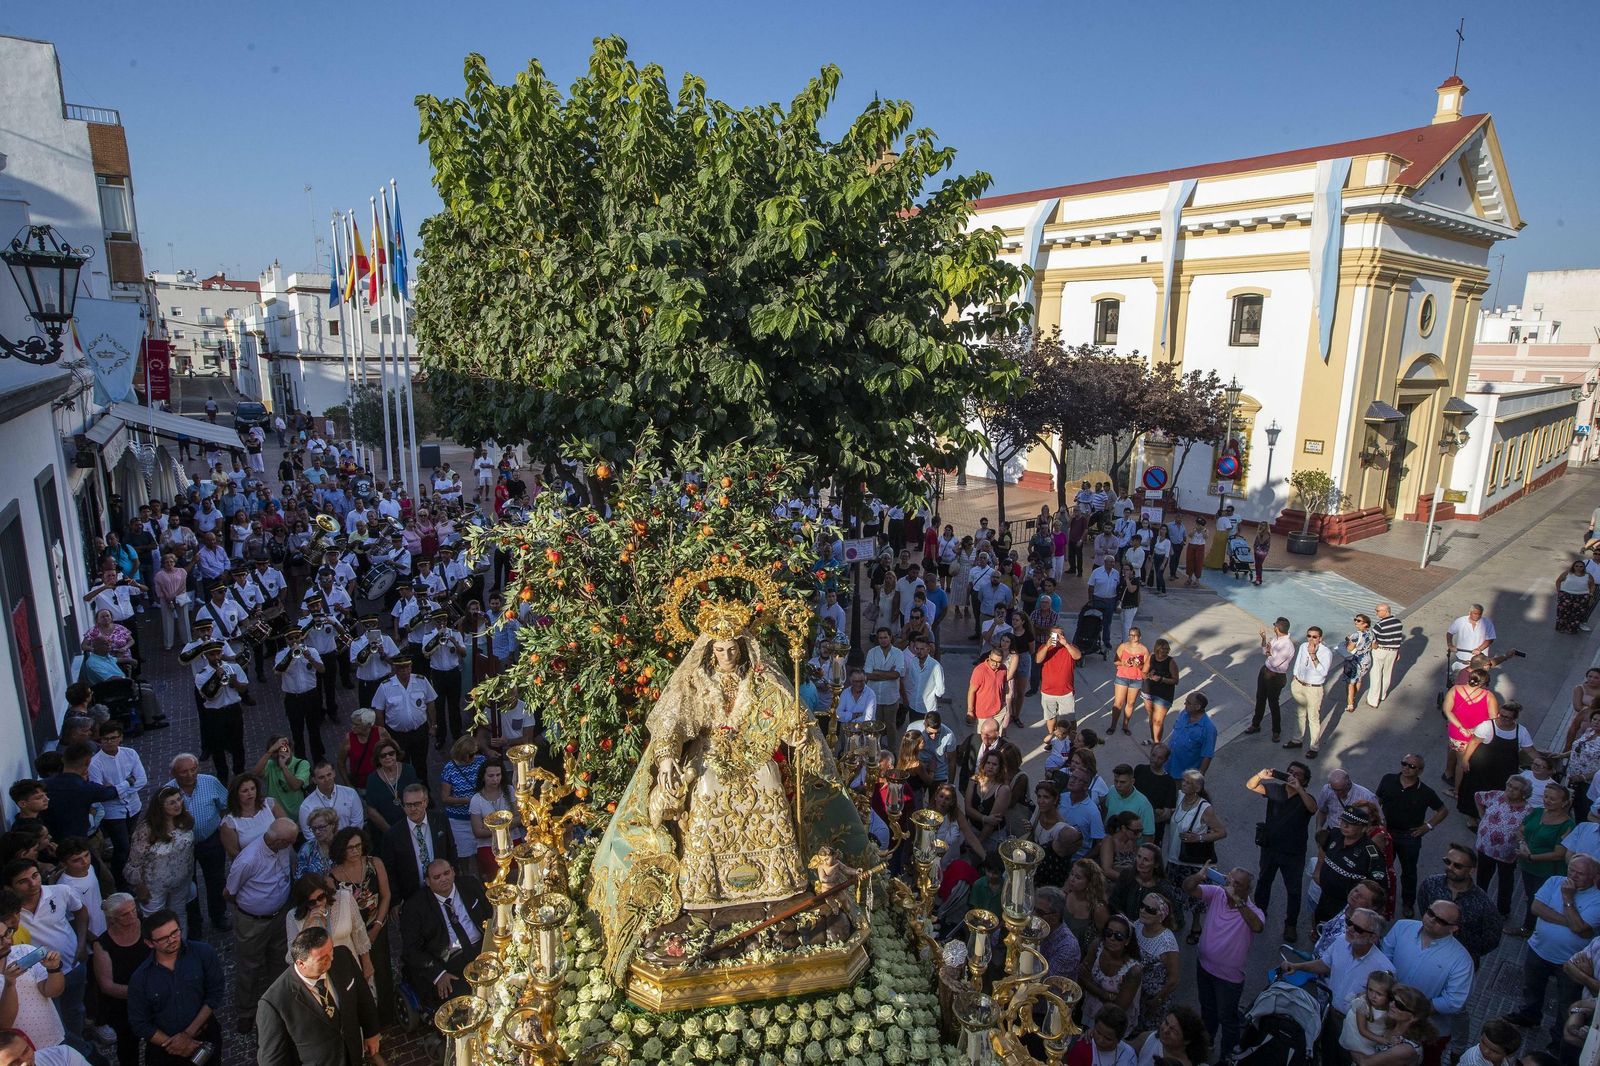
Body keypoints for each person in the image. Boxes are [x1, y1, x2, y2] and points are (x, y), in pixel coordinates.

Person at [1282, 905, 1392, 1065]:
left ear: (1373, 938)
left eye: (1359, 929)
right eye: (1349, 922)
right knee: (1327, 1055)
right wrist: (1298, 966)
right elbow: (1325, 964)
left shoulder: (1384, 969)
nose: (1350, 929)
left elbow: (1384, 1009)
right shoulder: (1341, 942)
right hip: (1330, 1014)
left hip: (1356, 1026)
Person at [258, 925, 381, 1066]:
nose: (331, 958)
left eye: (331, 950)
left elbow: (363, 996)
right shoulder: (274, 1003)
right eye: (323, 958)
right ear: (301, 963)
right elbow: (273, 1061)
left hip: (353, 1056)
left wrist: (371, 1032)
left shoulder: (343, 957)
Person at [1510, 853, 1600, 1042]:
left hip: (1570, 961)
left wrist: (1568, 899)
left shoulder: (1597, 899)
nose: (1573, 876)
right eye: (1571, 870)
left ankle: (1559, 1038)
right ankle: (1529, 1016)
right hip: (1538, 949)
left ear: (1594, 876)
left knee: (1567, 1002)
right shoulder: (1554, 881)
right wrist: (1571, 922)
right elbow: (1536, 908)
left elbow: (1580, 928)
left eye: (1580, 873)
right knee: (1532, 988)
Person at [222, 818, 298, 1035]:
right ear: (280, 841)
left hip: (279, 917)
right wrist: (252, 907)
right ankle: (246, 1013)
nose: (293, 844)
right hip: (253, 923)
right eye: (290, 841)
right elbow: (229, 893)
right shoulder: (247, 860)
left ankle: (279, 1004)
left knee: (279, 961)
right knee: (249, 967)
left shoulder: (283, 848)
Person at [5, 861, 89, 1047]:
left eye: (35, 876)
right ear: (10, 887)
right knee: (56, 1019)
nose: (33, 884)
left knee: (76, 1010)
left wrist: (82, 943)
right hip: (42, 978)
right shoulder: (9, 914)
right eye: (23, 881)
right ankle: (79, 1050)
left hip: (73, 966)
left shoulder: (61, 891)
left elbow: (81, 912)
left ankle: (80, 1041)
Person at [1183, 864, 1264, 1056]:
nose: (1231, 885)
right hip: (1204, 966)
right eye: (1229, 880)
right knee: (1207, 1010)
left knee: (1227, 1019)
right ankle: (1206, 1043)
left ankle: (1228, 1055)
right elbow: (1189, 888)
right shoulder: (1217, 894)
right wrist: (1198, 877)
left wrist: (1237, 900)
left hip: (1228, 978)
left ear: (1247, 889)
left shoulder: (1252, 910)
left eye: (1238, 884)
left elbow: (1257, 926)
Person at [125, 910, 224, 1065]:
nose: (172, 940)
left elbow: (215, 993)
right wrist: (177, 1045)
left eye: (175, 932)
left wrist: (187, 1035)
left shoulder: (203, 953)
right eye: (163, 938)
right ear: (149, 943)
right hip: (165, 1052)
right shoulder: (140, 979)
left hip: (205, 1038)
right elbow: (139, 1023)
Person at [1379, 904, 1473, 1054]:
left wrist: (1413, 1010)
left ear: (1453, 928)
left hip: (1426, 1030)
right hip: (1385, 1015)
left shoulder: (1462, 959)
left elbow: (1454, 1001)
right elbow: (1383, 961)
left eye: (1440, 920)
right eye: (1430, 913)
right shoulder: (1402, 927)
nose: (1431, 920)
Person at [399, 860, 489, 1016]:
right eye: (437, 877)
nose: (443, 879)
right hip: (448, 962)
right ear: (428, 881)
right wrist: (438, 974)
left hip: (482, 948)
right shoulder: (415, 906)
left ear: (453, 871)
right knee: (464, 1004)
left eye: (447, 873)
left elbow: (491, 913)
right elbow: (411, 950)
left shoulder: (469, 885)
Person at [1247, 762, 1316, 940]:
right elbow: (1251, 786)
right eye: (1290, 772)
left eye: (1297, 774)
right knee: (1264, 881)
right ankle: (1259, 914)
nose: (1292, 775)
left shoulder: (1306, 797)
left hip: (1293, 853)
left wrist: (1299, 789)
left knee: (1293, 890)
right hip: (1270, 847)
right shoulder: (1276, 790)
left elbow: (1312, 809)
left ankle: (1290, 925)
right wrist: (1261, 775)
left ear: (1305, 780)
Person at [1376, 755, 1449, 918]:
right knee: (1380, 868)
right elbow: (1377, 801)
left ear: (1420, 771)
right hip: (1386, 833)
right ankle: (1378, 901)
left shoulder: (1425, 792)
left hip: (1409, 837)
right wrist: (1377, 822)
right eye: (1404, 763)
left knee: (1409, 872)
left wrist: (1428, 826)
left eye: (1412, 766)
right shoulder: (1388, 779)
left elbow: (1443, 810)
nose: (1406, 768)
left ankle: (1408, 903)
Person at [0, 890, 70, 1055]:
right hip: (18, 1057)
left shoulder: (24, 951)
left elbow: (52, 991)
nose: (7, 941)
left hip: (54, 1041)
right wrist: (10, 983)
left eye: (7, 934)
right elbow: (3, 1024)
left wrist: (54, 969)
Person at [1415, 843, 1502, 965]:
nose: (1450, 867)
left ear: (1471, 870)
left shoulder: (1483, 903)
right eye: (1447, 861)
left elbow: (1491, 939)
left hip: (1459, 961)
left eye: (1457, 865)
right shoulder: (1430, 884)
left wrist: (1467, 951)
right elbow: (1424, 908)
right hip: (1427, 950)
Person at [92, 893, 150, 1066]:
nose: (133, 915)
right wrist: (141, 993)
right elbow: (107, 985)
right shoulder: (102, 944)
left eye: (134, 910)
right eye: (125, 914)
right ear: (112, 919)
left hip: (155, 997)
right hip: (124, 1005)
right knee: (128, 1046)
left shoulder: (147, 927)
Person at [124, 787, 196, 928]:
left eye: (179, 799)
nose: (178, 805)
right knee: (155, 921)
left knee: (179, 914)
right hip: (154, 886)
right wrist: (140, 887)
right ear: (160, 807)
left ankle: (182, 944)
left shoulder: (184, 821)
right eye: (171, 803)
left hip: (181, 882)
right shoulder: (146, 830)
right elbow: (135, 862)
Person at [87, 724, 145, 890]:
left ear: (120, 737)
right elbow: (99, 791)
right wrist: (128, 782)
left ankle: (131, 874)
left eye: (113, 738)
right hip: (113, 812)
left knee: (130, 841)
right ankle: (120, 882)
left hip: (133, 806)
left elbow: (141, 779)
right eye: (106, 739)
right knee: (122, 846)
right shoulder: (95, 763)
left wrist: (116, 790)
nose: (110, 742)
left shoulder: (130, 754)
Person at [384, 784, 458, 903]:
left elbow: (451, 850)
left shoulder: (440, 821)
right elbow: (390, 871)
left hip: (444, 889)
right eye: (408, 805)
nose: (413, 809)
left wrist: (454, 881)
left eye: (417, 804)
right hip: (413, 895)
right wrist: (396, 901)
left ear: (426, 802)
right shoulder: (394, 834)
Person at [1315, 809, 1391, 924]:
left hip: (1347, 907)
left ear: (1364, 828)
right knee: (1319, 926)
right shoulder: (1335, 834)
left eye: (1351, 823)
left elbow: (1379, 888)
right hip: (1324, 897)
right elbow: (1323, 850)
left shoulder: (1371, 854)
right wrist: (1318, 871)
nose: (1344, 825)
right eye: (1343, 821)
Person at [1474, 776, 1534, 918]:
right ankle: (1477, 903)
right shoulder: (1496, 795)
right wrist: (1482, 816)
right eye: (1509, 786)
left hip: (1506, 854)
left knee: (1505, 882)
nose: (1510, 790)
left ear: (1524, 793)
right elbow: (1478, 796)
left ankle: (1502, 911)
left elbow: (1526, 830)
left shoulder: (1528, 810)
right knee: (1482, 878)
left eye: (1516, 789)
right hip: (1485, 847)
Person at [1446, 670, 1501, 806]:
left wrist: (1460, 727)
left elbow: (1447, 710)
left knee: (1461, 762)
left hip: (1457, 734)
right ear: (1485, 682)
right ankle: (1466, 790)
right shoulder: (1489, 696)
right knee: (1473, 762)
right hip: (1478, 735)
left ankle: (1457, 791)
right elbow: (1493, 719)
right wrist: (1475, 729)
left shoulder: (1455, 689)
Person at [1079, 912, 1142, 1028]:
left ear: (1127, 941)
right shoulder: (1097, 946)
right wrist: (1108, 996)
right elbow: (1081, 977)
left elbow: (1118, 1008)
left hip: (1112, 1024)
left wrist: (1090, 984)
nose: (1112, 939)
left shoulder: (1133, 971)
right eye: (1108, 933)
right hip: (1090, 1010)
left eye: (1118, 936)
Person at [1347, 985, 1437, 1066]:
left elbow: (1365, 1063)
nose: (1392, 1005)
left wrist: (1349, 1042)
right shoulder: (1389, 1025)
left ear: (1414, 1017)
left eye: (1400, 1005)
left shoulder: (1407, 1048)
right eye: (1392, 999)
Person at [1133, 893, 1182, 1033]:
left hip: (1154, 999)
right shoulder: (1137, 925)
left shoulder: (1167, 942)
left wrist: (1157, 1001)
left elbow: (1173, 979)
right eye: (1142, 906)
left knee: (1150, 1033)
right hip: (1136, 992)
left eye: (1150, 909)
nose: (1143, 910)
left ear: (1161, 916)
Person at [1287, 626, 1333, 758]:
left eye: (1314, 637)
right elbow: (1298, 662)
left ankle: (1314, 747)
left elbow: (1323, 671)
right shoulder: (1303, 646)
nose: (1311, 639)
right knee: (1300, 714)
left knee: (1313, 718)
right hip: (1299, 684)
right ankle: (1297, 740)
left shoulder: (1325, 652)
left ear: (1320, 638)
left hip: (1314, 688)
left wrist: (1313, 654)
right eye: (1309, 636)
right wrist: (1295, 677)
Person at [220, 772, 286, 859]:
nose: (250, 793)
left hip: (281, 857)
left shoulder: (270, 804)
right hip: (255, 867)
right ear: (236, 794)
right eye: (245, 791)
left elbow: (286, 827)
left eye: (252, 788)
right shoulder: (229, 823)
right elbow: (234, 853)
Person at [363, 739, 418, 834]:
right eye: (383, 755)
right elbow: (371, 810)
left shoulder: (409, 770)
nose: (388, 757)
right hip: (387, 829)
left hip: (411, 823)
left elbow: (418, 796)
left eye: (391, 753)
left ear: (396, 753)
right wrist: (390, 831)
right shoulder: (372, 779)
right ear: (378, 759)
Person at [297, 761, 364, 838]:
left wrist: (345, 842)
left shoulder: (350, 793)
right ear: (314, 780)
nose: (327, 779)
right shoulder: (306, 806)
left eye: (329, 775)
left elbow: (358, 823)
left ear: (334, 773)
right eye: (321, 777)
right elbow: (310, 835)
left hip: (350, 843)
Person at [1033, 884, 1083, 981]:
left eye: (1039, 912)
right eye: (1033, 909)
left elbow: (1047, 983)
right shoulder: (1035, 927)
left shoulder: (1068, 947)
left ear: (1055, 917)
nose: (1033, 915)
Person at [1110, 628, 1150, 740]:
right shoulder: (1123, 646)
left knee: (1130, 703)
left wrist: (1140, 665)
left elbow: (1146, 668)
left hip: (1136, 679)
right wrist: (1124, 663)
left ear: (1140, 637)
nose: (1132, 637)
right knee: (1118, 703)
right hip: (1122, 676)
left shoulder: (1144, 650)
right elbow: (1115, 661)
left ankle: (1125, 725)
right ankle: (1113, 725)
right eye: (1130, 635)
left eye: (1135, 635)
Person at [1165, 693, 1216, 778]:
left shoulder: (1208, 729)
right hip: (1168, 765)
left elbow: (1207, 755)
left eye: (1188, 703)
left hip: (1182, 774)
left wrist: (1198, 777)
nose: (1185, 704)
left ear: (1197, 707)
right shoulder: (1183, 714)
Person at [1135, 744, 1178, 846]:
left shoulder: (1169, 782)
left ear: (1165, 760)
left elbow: (1166, 814)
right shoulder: (1139, 770)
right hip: (1132, 827)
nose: (1155, 760)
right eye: (1153, 755)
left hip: (1153, 831)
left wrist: (1147, 816)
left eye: (1160, 758)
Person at [1105, 765, 1157, 845]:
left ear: (1132, 781)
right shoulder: (1112, 791)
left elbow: (1148, 836)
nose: (1118, 785)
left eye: (1122, 782)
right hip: (1109, 844)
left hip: (1130, 852)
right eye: (1116, 781)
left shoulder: (1144, 804)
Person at [1367, 603, 1403, 709]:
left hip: (1380, 650)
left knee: (1375, 674)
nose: (1376, 612)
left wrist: (1373, 647)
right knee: (1387, 673)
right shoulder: (1398, 623)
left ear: (1386, 611)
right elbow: (1398, 638)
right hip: (1393, 651)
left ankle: (1373, 700)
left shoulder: (1379, 625)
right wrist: (1398, 651)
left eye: (1378, 610)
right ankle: (1382, 695)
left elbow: (1373, 640)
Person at [1445, 605, 1497, 671]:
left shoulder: (1487, 623)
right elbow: (1450, 633)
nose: (1477, 616)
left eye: (1479, 614)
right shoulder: (1460, 621)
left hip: (1479, 659)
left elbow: (1490, 638)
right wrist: (1450, 645)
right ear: (1469, 612)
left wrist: (1480, 649)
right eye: (1475, 614)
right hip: (1462, 658)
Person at [1343, 615, 1376, 714]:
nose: (1356, 622)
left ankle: (1350, 704)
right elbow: (1374, 646)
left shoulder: (1355, 635)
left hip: (1355, 660)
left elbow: (1349, 649)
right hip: (1366, 660)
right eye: (1355, 620)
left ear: (1365, 624)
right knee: (1359, 680)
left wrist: (1348, 641)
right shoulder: (1371, 633)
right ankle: (1353, 697)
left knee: (1350, 683)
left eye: (1358, 621)